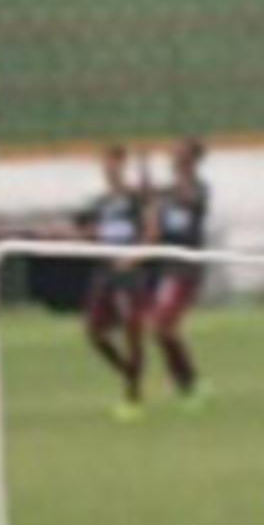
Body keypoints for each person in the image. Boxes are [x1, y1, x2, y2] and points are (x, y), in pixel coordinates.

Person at [79, 144, 153, 421]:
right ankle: (130, 373)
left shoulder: (134, 198)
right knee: (94, 332)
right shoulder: (101, 203)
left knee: (133, 333)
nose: (108, 168)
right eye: (105, 163)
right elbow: (93, 232)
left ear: (123, 165)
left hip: (129, 274)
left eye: (113, 163)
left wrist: (133, 258)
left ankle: (133, 396)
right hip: (105, 272)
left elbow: (151, 231)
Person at [142, 137, 214, 410]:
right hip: (167, 268)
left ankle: (190, 383)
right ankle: (186, 382)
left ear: (191, 160)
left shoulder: (199, 189)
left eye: (179, 154)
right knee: (160, 329)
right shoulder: (169, 192)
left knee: (163, 327)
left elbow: (187, 199)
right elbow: (150, 204)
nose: (173, 158)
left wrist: (164, 191)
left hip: (186, 268)